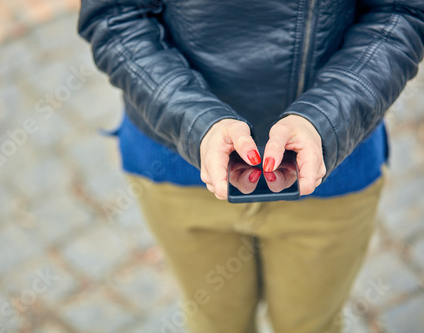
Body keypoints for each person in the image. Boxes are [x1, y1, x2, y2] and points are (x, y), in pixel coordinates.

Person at [78, 1, 424, 332]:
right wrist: (195, 121)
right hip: (178, 168)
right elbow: (115, 14)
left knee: (309, 326)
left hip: (330, 175)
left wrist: (325, 120)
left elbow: (400, 12)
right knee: (216, 324)